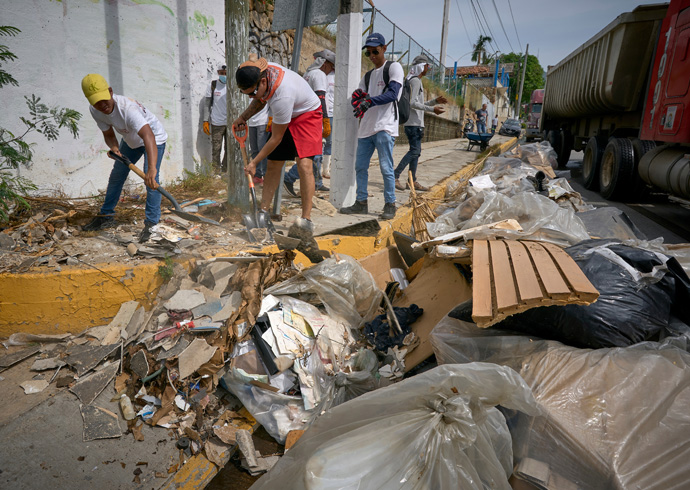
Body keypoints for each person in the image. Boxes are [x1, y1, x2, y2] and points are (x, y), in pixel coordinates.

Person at [232, 57, 326, 248]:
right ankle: (263, 213)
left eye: (253, 92)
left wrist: (254, 162)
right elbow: (260, 99)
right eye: (247, 94)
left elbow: (276, 138)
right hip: (288, 114)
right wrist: (243, 117)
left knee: (304, 164)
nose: (252, 97)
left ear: (263, 82)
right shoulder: (263, 75)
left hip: (307, 114)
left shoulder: (283, 94)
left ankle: (305, 221)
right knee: (274, 163)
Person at [80, 73, 167, 243]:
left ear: (110, 91)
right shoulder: (95, 110)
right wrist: (114, 148)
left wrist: (152, 168)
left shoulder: (127, 109)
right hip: (131, 141)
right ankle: (106, 216)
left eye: (104, 99)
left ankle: (152, 224)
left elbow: (148, 136)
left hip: (154, 138)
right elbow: (108, 133)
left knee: (151, 180)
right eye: (96, 102)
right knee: (117, 176)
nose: (102, 105)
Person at [340, 33, 403, 220]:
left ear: (384, 48)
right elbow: (359, 97)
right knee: (360, 166)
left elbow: (393, 94)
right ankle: (361, 203)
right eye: (369, 53)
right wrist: (357, 102)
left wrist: (370, 101)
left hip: (385, 126)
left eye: (375, 51)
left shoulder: (394, 67)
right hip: (366, 128)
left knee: (386, 167)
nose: (373, 56)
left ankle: (390, 204)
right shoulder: (367, 76)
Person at [283, 49, 334, 196]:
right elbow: (321, 97)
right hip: (315, 117)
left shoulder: (308, 74)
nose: (331, 71)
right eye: (331, 67)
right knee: (313, 154)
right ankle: (289, 177)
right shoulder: (319, 74)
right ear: (324, 64)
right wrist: (325, 119)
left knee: (314, 152)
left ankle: (317, 183)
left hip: (305, 117)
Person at [393, 54, 447, 192]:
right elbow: (412, 104)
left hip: (414, 123)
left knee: (416, 153)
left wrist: (434, 102)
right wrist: (432, 109)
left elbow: (419, 103)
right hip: (414, 124)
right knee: (414, 151)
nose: (428, 68)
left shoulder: (411, 80)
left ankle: (413, 181)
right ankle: (395, 175)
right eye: (427, 66)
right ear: (421, 67)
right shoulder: (416, 81)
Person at [203, 64, 228, 173]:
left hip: (231, 123)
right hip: (216, 122)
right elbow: (207, 104)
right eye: (221, 73)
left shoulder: (233, 85)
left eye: (225, 73)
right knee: (216, 149)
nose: (223, 75)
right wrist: (205, 121)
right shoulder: (213, 85)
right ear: (218, 73)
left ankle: (226, 170)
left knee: (229, 149)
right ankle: (216, 171)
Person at [320, 49, 335, 179]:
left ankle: (326, 169)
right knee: (321, 141)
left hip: (332, 113)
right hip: (323, 113)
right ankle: (319, 169)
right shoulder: (321, 74)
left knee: (329, 142)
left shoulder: (336, 76)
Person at [248, 104, 269, 184]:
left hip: (262, 122)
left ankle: (266, 175)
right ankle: (258, 175)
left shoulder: (263, 92)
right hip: (251, 123)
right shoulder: (247, 93)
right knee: (254, 150)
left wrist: (271, 118)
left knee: (262, 151)